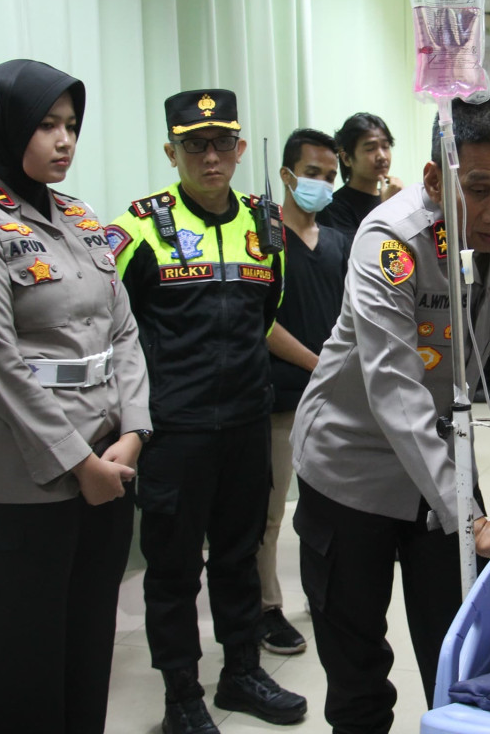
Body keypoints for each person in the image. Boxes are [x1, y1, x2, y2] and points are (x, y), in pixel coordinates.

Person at [291, 94, 490, 734]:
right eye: (478, 190)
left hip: (446, 458)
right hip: (351, 467)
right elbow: (394, 389)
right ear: (433, 179)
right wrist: (471, 519)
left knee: (462, 648)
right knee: (358, 670)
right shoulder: (390, 241)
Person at [0, 59, 150, 733]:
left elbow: (124, 332)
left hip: (108, 465)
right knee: (30, 660)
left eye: (72, 125)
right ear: (4, 127)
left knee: (89, 647)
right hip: (16, 485)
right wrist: (81, 463)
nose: (65, 140)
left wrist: (134, 431)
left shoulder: (80, 218)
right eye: (46, 124)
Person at [107, 89, 306, 732]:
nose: (210, 156)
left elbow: (264, 315)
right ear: (173, 152)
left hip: (247, 423)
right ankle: (181, 696)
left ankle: (241, 673)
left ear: (240, 149)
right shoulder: (139, 227)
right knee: (172, 570)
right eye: (194, 145)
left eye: (222, 143)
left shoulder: (264, 226)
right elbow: (112, 328)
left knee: (239, 556)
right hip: (174, 430)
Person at [258, 128, 349, 656]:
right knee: (270, 513)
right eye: (312, 173)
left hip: (332, 400)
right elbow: (260, 321)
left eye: (329, 176)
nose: (321, 184)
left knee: (329, 508)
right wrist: (318, 365)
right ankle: (266, 607)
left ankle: (323, 593)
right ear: (287, 175)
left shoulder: (336, 243)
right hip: (280, 395)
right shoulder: (263, 240)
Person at [316, 112, 403, 243]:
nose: (382, 156)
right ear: (346, 158)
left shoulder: (392, 196)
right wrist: (388, 208)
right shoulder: (333, 209)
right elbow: (362, 252)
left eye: (385, 147)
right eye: (370, 149)